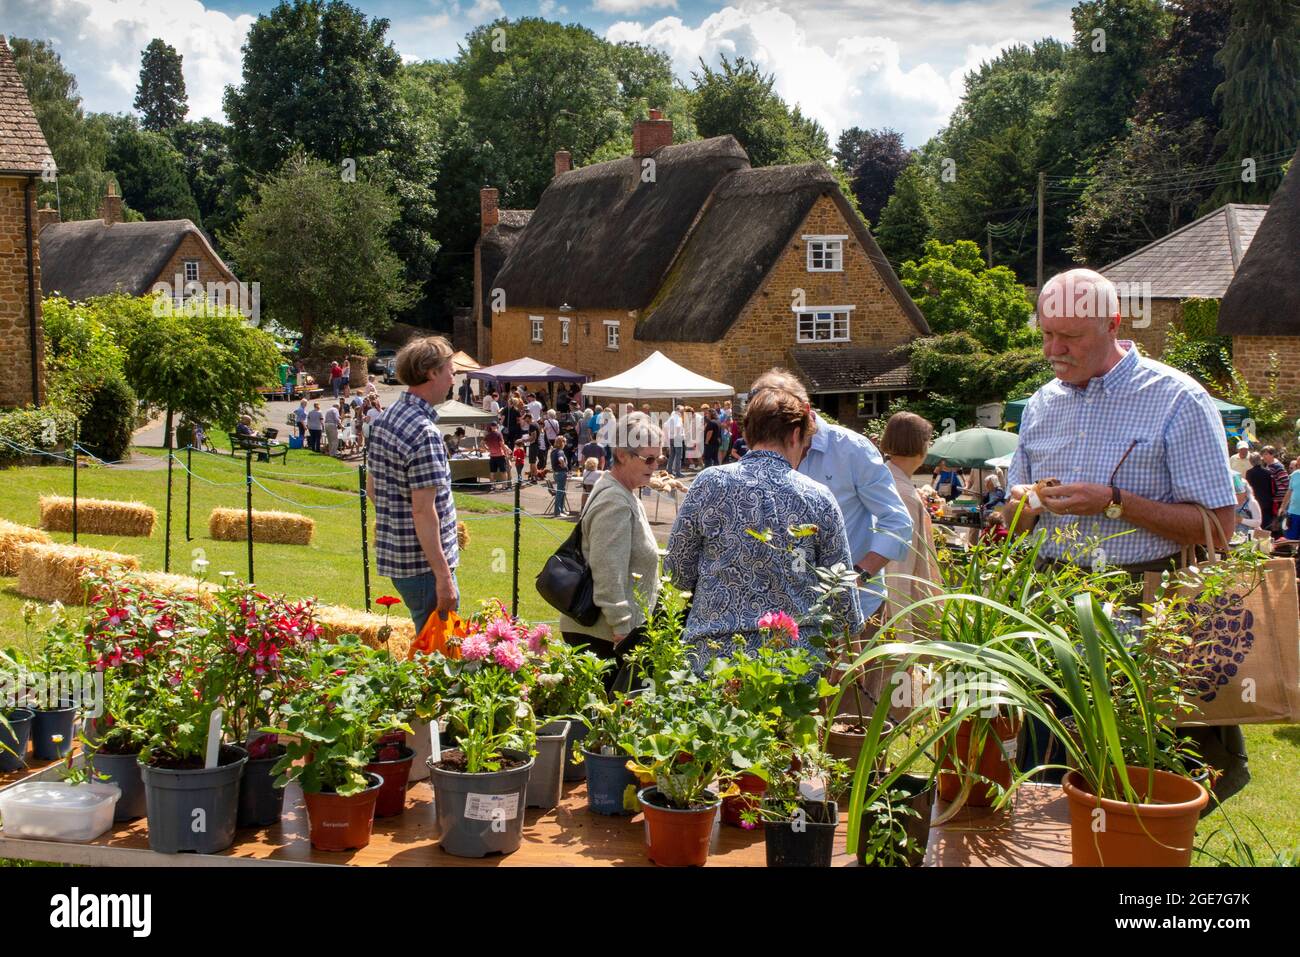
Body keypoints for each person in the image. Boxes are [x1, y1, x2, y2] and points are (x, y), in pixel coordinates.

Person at [1001, 268, 1243, 798]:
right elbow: (1013, 521)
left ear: (1114, 324)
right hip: (1052, 611)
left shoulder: (1177, 399)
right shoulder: (1041, 405)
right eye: (1046, 333)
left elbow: (1219, 528)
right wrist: (1021, 508)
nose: (1053, 349)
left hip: (1144, 612)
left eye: (1070, 337)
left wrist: (1114, 504)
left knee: (1135, 783)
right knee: (1047, 775)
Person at [666, 389, 863, 673]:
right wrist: (850, 651)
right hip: (793, 662)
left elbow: (676, 571)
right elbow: (841, 589)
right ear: (795, 435)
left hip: (714, 656)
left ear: (748, 433)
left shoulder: (709, 483)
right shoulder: (818, 496)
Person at [560, 415, 664, 689]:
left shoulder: (621, 491)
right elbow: (608, 569)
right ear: (621, 455)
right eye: (648, 459)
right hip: (606, 636)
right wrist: (622, 628)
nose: (655, 467)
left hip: (609, 633)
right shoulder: (615, 501)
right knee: (608, 724)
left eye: (659, 459)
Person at [366, 336, 460, 634]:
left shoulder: (385, 419)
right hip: (425, 568)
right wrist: (443, 577)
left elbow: (373, 489)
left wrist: (397, 521)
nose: (453, 377)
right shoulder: (424, 432)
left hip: (401, 561)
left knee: (428, 646)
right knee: (439, 654)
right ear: (432, 373)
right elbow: (423, 511)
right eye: (450, 370)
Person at [878, 411, 944, 643]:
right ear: (920, 446)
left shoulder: (883, 478)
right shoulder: (903, 493)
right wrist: (905, 639)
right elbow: (899, 569)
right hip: (903, 611)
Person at [1260, 446, 1290, 538]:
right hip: (1274, 500)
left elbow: (1287, 483)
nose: (1263, 457)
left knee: (1280, 525)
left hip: (1280, 500)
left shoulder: (1278, 467)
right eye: (1262, 454)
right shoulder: (1269, 466)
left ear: (1272, 455)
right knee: (1274, 525)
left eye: (1266, 454)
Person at [1232, 472, 1263, 538]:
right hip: (1236, 536)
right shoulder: (1232, 504)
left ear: (1245, 491)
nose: (1236, 495)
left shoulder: (1252, 503)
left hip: (1250, 536)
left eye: (1238, 493)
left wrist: (1241, 520)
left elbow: (1258, 522)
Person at [549, 436, 572, 517]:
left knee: (562, 492)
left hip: (556, 473)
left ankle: (562, 509)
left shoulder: (553, 451)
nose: (565, 444)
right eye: (564, 442)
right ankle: (557, 512)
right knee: (560, 492)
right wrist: (564, 466)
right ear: (562, 443)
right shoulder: (560, 451)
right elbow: (561, 459)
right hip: (561, 473)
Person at [1278, 458, 1300, 541]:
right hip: (1293, 513)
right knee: (1290, 540)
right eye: (1298, 464)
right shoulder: (1294, 475)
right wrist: (1282, 507)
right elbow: (1289, 492)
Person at [664, 405, 685, 477]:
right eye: (682, 411)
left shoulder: (671, 417)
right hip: (677, 438)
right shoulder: (678, 418)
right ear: (679, 411)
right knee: (679, 456)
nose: (683, 413)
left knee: (672, 455)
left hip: (671, 438)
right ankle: (678, 472)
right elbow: (678, 427)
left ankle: (669, 470)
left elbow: (665, 425)